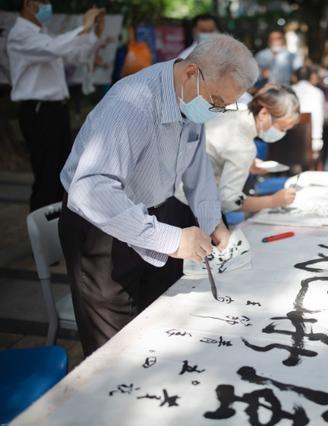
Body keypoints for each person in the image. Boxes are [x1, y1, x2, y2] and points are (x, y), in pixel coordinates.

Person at [58, 34, 259, 357]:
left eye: (225, 106)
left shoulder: (192, 99)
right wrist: (173, 240)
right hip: (101, 227)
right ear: (192, 72)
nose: (217, 111)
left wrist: (214, 225)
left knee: (157, 323)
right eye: (217, 101)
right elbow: (91, 189)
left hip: (152, 213)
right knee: (116, 350)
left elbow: (197, 169)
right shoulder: (132, 103)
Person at [7, 0, 103, 212]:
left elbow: (73, 56)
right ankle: (40, 235)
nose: (47, 5)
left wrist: (93, 34)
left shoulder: (43, 33)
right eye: (43, 1)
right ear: (28, 4)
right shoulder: (20, 35)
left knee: (60, 175)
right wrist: (84, 27)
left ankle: (54, 232)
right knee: (47, 178)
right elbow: (53, 48)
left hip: (55, 110)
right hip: (39, 111)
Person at [176, 83, 300, 214]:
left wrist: (249, 165)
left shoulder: (236, 109)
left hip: (172, 183)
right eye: (282, 128)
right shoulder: (244, 147)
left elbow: (220, 148)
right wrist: (273, 201)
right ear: (264, 113)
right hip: (186, 205)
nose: (283, 133)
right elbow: (229, 201)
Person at [292, 65, 325, 152]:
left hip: (289, 140)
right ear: (311, 77)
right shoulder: (318, 93)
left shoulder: (289, 91)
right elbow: (321, 116)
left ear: (295, 77)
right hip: (313, 141)